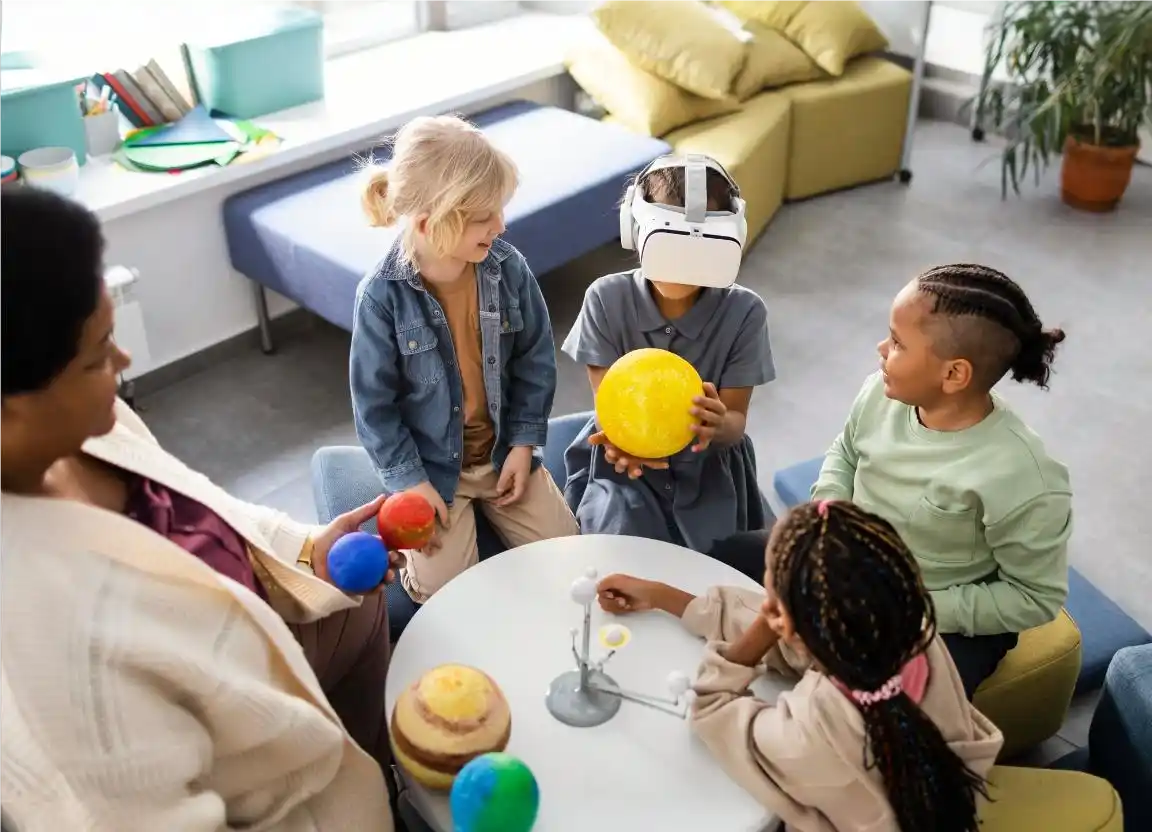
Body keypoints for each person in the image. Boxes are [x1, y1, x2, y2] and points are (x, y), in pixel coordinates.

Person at [1, 188, 396, 831]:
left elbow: (199, 501)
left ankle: (374, 767)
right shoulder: (57, 671)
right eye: (100, 355)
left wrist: (304, 549)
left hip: (258, 645)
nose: (124, 364)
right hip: (281, 793)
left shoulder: (88, 427)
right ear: (12, 407)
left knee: (362, 605)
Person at [597, 501, 1003, 832]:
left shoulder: (811, 735)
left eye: (770, 585)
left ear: (786, 622)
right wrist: (668, 597)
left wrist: (765, 626)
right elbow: (803, 645)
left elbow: (713, 711)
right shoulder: (911, 634)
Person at [814, 263, 1072, 697]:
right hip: (860, 575)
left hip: (946, 620)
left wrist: (911, 606)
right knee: (734, 559)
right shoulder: (879, 392)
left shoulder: (1024, 477)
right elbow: (845, 452)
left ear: (954, 374)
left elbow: (1035, 596)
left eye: (897, 343)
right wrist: (830, 515)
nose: (880, 348)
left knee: (875, 705)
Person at [353, 115, 578, 604]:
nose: (500, 225)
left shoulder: (508, 268)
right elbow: (375, 410)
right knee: (446, 597)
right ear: (432, 224)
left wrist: (522, 444)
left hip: (501, 455)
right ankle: (427, 557)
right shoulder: (380, 298)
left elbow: (535, 362)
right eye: (484, 217)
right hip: (434, 469)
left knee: (572, 560)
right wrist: (411, 485)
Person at [562, 154, 775, 554]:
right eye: (670, 248)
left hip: (712, 471)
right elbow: (612, 410)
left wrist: (716, 426)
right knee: (619, 553)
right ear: (634, 229)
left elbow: (735, 422)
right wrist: (622, 446)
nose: (681, 269)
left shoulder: (745, 313)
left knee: (713, 567)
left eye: (699, 250)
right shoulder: (605, 300)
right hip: (625, 470)